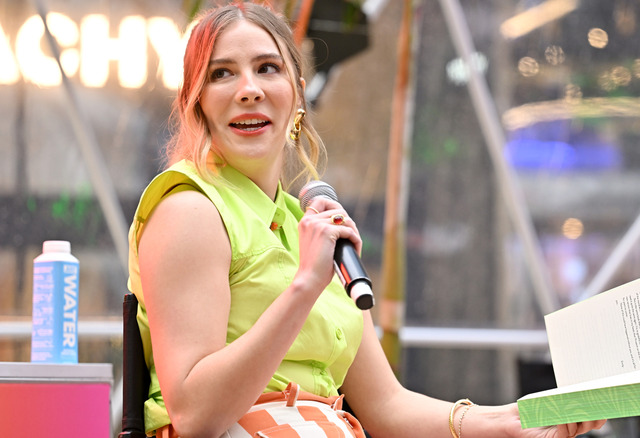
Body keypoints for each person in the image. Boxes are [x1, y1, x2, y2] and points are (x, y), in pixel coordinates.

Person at [127, 2, 606, 438]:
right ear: (196, 101)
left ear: (297, 95)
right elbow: (195, 416)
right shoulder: (190, 209)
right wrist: (304, 287)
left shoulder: (307, 227)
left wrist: (511, 420)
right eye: (222, 74)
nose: (249, 90)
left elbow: (387, 406)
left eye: (267, 68)